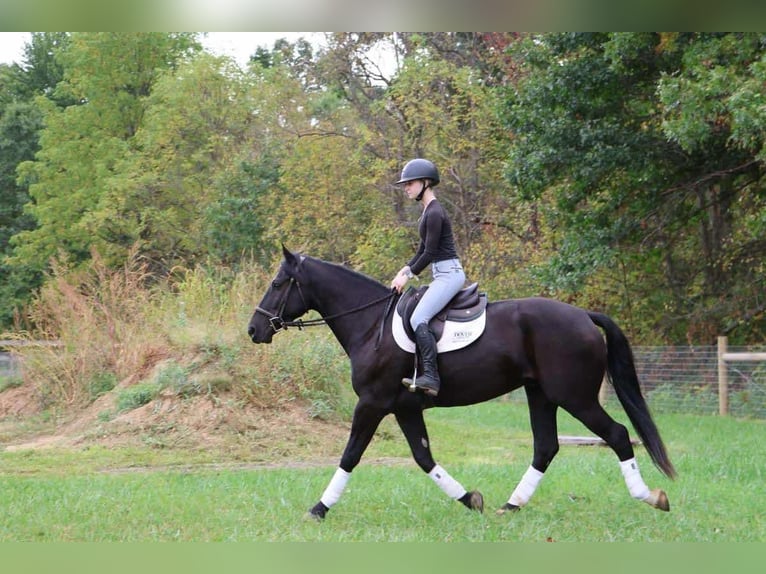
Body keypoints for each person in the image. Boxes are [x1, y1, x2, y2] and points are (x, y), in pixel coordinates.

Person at [390, 158, 466, 396]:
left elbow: (431, 253)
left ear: (425, 182)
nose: (406, 188)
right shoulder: (427, 212)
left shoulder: (434, 212)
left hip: (449, 275)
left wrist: (409, 275)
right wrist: (404, 270)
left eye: (410, 183)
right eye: (405, 184)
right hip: (441, 273)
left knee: (418, 318)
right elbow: (422, 251)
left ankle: (431, 377)